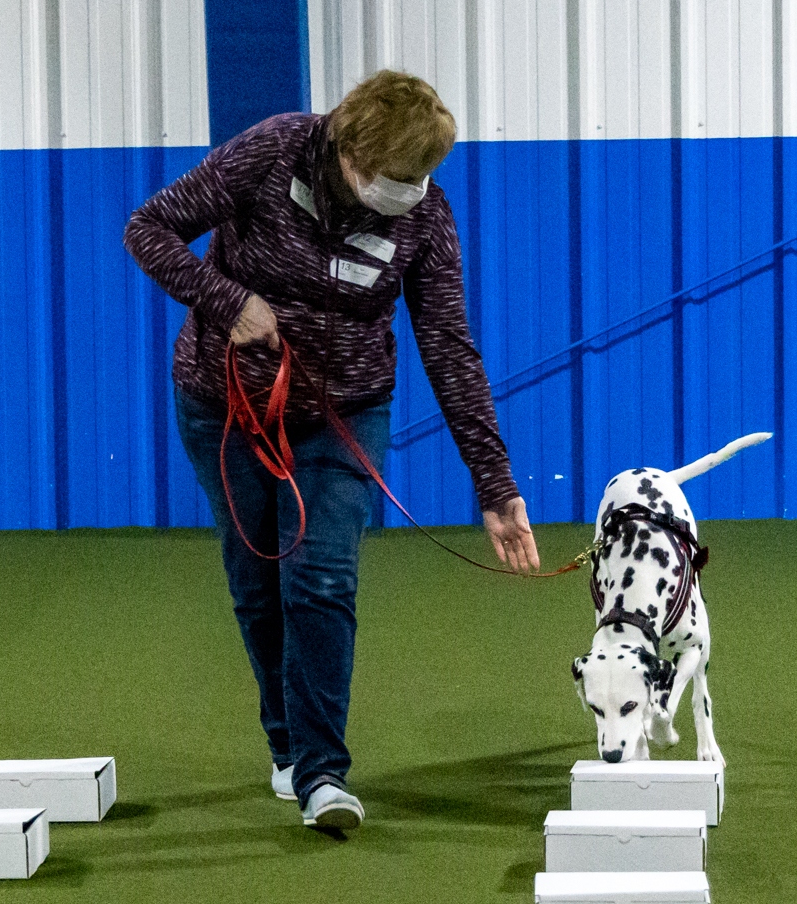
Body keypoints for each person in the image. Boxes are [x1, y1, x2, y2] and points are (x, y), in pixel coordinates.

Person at [123, 70, 540, 830]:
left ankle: (323, 776)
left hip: (344, 414)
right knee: (258, 585)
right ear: (352, 154)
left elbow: (449, 347)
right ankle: (286, 745)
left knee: (320, 578)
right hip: (223, 406)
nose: (411, 191)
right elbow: (148, 229)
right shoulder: (273, 151)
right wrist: (230, 301)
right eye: (398, 176)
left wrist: (495, 482)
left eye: (423, 175)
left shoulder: (425, 217)